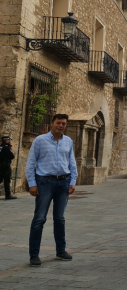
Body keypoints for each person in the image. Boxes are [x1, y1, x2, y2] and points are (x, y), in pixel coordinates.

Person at [26, 114, 77, 266]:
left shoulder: (68, 141)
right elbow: (30, 163)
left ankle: (61, 251)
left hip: (63, 182)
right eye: (58, 123)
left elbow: (71, 162)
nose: (61, 126)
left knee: (59, 218)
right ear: (52, 124)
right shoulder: (40, 140)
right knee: (39, 218)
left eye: (63, 124)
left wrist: (73, 181)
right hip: (44, 182)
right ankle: (34, 254)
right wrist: (32, 184)